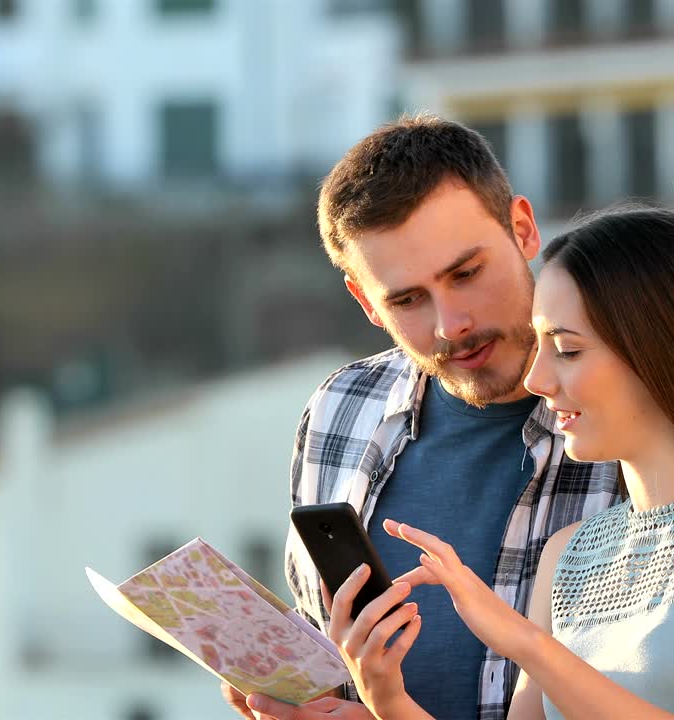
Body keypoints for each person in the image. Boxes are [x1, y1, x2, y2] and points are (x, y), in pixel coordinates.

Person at [325, 206, 674, 719]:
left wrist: (525, 643)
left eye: (568, 350)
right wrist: (387, 700)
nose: (537, 380)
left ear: (661, 351)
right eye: (540, 346)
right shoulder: (568, 555)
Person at [220, 116, 624, 720]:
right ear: (366, 302)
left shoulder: (633, 411)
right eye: (407, 299)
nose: (451, 325)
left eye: (466, 274)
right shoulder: (340, 409)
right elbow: (332, 651)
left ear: (522, 229)